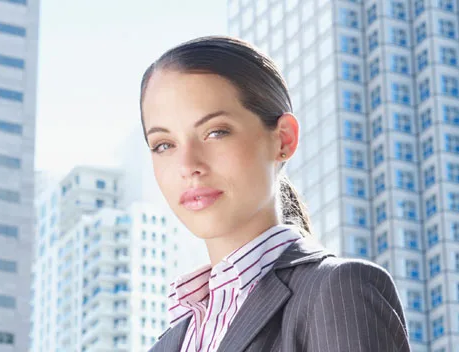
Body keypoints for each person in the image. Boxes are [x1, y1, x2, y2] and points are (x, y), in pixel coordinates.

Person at [139, 36, 410, 352]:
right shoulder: (170, 342)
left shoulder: (337, 291)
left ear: (283, 139)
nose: (188, 166)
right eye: (164, 145)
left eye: (215, 132)